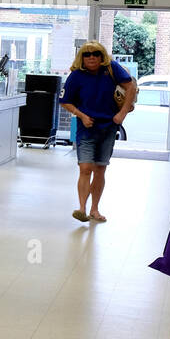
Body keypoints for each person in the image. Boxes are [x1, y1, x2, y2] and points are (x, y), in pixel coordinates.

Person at [59, 41, 136, 223]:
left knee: (100, 169)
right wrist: (81, 115)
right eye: (87, 54)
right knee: (85, 168)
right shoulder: (76, 76)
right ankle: (82, 208)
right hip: (86, 127)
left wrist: (122, 113)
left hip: (108, 126)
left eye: (95, 53)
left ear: (102, 56)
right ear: (82, 58)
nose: (91, 57)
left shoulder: (112, 68)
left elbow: (130, 86)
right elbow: (65, 101)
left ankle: (94, 209)